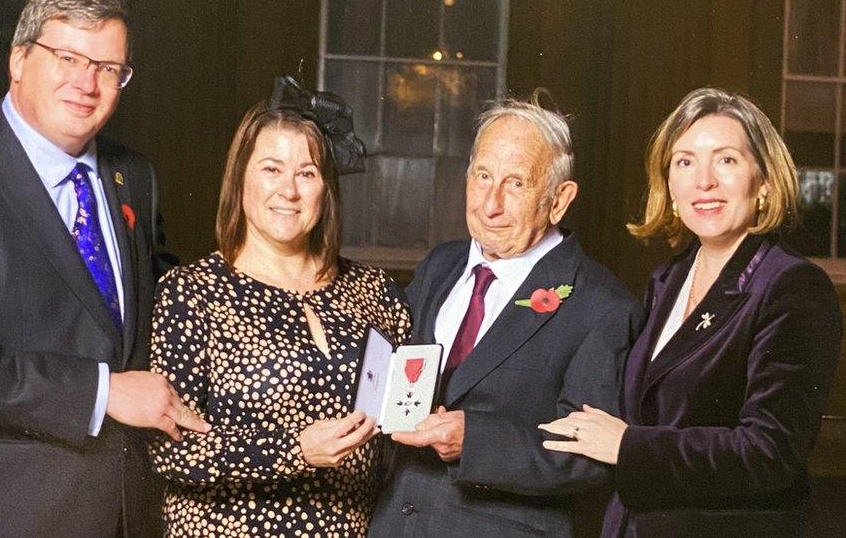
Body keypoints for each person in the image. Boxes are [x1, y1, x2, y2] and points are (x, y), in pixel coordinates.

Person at [0, 0, 208, 536]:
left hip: (116, 511)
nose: (87, 82)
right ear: (19, 59)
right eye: (68, 59)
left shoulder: (135, 176)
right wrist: (106, 391)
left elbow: (163, 311)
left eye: (108, 67)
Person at [540, 87, 843, 537]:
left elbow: (770, 452)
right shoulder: (669, 279)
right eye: (684, 162)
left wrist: (629, 445)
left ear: (763, 181)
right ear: (670, 188)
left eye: (726, 160)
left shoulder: (791, 286)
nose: (704, 181)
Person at [368, 94, 643, 538]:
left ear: (559, 200)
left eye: (515, 183)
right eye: (482, 176)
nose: (489, 204)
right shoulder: (440, 265)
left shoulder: (602, 304)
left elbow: (589, 455)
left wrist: (473, 441)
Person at [147, 76, 412, 536]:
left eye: (306, 173)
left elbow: (406, 425)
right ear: (240, 176)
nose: (288, 190)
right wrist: (294, 451)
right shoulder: (191, 292)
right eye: (271, 168)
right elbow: (169, 450)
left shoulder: (376, 291)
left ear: (326, 189)